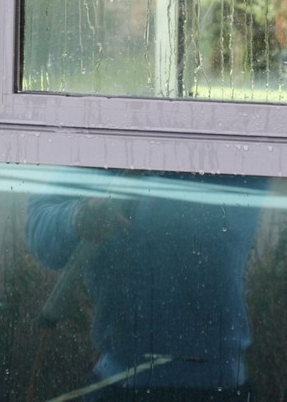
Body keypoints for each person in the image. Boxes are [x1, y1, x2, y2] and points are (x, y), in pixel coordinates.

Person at [26, 170, 267, 402]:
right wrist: (78, 217)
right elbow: (40, 231)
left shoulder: (227, 146)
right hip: (125, 380)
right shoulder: (109, 144)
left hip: (210, 384)